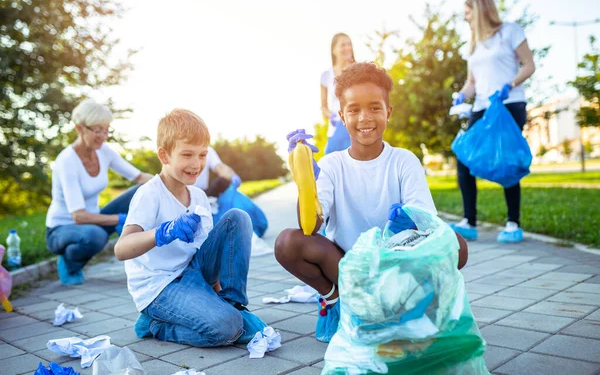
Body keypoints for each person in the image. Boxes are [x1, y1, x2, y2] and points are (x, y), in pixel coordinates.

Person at [276, 62, 469, 343]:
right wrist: (305, 183)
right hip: (343, 268)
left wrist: (406, 224)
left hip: (395, 265)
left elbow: (428, 224)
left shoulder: (404, 161)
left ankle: (396, 305)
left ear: (388, 113)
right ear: (342, 116)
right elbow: (310, 225)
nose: (365, 118)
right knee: (287, 242)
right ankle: (336, 302)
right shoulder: (331, 165)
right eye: (354, 110)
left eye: (375, 108)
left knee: (457, 245)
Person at [114, 108, 266, 347]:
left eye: (202, 155)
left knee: (237, 217)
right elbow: (121, 249)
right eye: (187, 155)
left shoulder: (198, 196)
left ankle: (234, 304)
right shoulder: (149, 194)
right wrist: (162, 232)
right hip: (160, 287)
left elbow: (205, 253)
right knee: (226, 329)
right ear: (164, 155)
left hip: (192, 274)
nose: (197, 164)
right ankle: (154, 325)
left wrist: (217, 298)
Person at [450, 0, 535, 243]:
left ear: (479, 10)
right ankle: (469, 221)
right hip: (482, 105)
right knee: (464, 157)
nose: (464, 17)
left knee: (506, 162)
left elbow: (529, 65)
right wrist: (461, 96)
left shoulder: (510, 31)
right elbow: (472, 82)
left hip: (508, 103)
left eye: (467, 12)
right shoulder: (473, 44)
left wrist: (510, 84)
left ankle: (513, 223)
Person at [45, 100, 153, 286]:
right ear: (80, 128)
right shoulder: (67, 161)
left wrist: (171, 182)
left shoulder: (104, 152)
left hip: (93, 219)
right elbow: (78, 216)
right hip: (61, 229)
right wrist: (121, 219)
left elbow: (140, 177)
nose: (103, 136)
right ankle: (69, 262)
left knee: (145, 189)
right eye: (97, 130)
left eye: (106, 130)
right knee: (96, 236)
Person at [320, 33, 356, 154]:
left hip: (356, 126)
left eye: (349, 44)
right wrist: (333, 116)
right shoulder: (326, 75)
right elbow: (323, 107)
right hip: (335, 129)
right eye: (343, 45)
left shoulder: (358, 70)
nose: (347, 48)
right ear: (334, 50)